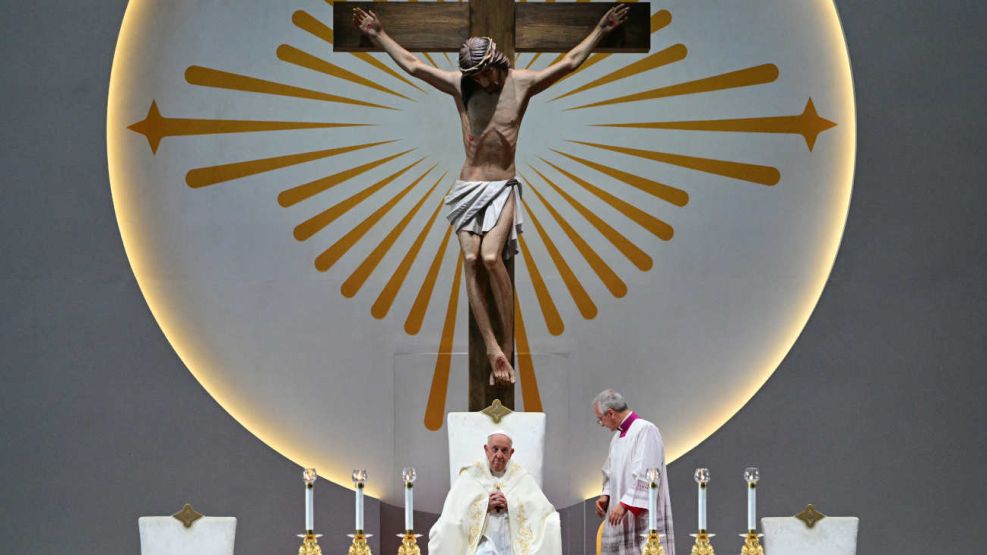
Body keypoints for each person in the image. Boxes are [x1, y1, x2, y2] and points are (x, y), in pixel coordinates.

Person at [354, 5, 629, 387]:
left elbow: (568, 62)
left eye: (485, 72)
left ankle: (508, 345)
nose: (482, 81)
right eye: (475, 76)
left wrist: (601, 30)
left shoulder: (522, 84)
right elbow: (416, 66)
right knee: (470, 258)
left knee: (489, 257)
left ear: (496, 62)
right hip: (468, 187)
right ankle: (491, 347)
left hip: (502, 186)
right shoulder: (462, 85)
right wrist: (377, 34)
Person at [428, 431, 561, 555]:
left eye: (504, 450)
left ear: (511, 453)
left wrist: (511, 505)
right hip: (482, 545)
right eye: (495, 449)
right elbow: (453, 515)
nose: (499, 455)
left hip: (512, 545)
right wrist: (484, 506)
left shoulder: (521, 478)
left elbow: (543, 512)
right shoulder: (470, 476)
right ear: (486, 450)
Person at [593, 389, 675, 555]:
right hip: (621, 517)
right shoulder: (616, 439)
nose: (602, 424)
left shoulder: (646, 430)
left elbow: (649, 473)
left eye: (600, 420)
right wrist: (606, 496)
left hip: (642, 519)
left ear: (611, 413)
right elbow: (610, 474)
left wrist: (624, 504)